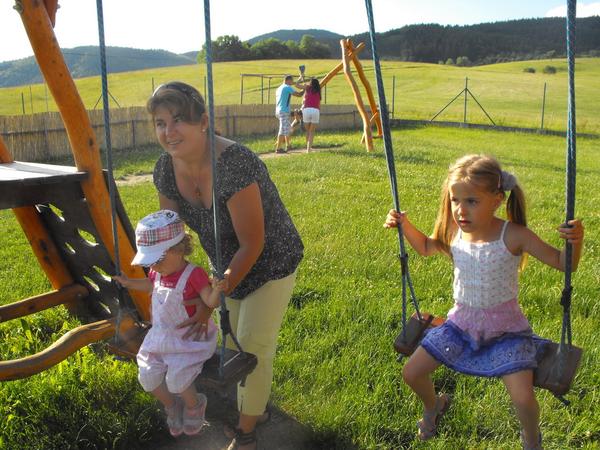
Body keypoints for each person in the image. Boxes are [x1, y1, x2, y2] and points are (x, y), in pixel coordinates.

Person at [384, 154, 584, 449]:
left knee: (523, 398)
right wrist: (404, 225)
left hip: (507, 333)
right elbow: (426, 246)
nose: (460, 210)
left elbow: (562, 262)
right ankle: (434, 405)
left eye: (472, 201)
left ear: (497, 200)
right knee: (411, 372)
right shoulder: (454, 231)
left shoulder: (513, 235)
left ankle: (531, 440)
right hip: (460, 326)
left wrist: (575, 241)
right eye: (455, 200)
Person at [147, 81, 304, 450]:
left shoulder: (234, 163)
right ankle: (255, 410)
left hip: (271, 260)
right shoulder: (165, 169)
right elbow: (172, 237)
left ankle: (246, 433)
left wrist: (212, 298)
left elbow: (253, 243)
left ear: (203, 121)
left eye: (178, 120)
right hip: (223, 266)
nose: (169, 132)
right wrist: (173, 284)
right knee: (232, 343)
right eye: (160, 123)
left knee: (252, 348)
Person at [113, 209, 224, 438]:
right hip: (159, 335)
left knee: (176, 381)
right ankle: (171, 405)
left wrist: (216, 291)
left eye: (158, 260)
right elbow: (150, 285)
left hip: (188, 339)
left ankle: (194, 405)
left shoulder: (194, 274)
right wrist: (129, 283)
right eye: (150, 262)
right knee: (147, 376)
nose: (153, 267)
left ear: (179, 249)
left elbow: (209, 301)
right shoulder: (158, 273)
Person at [274, 75, 304, 153]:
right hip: (283, 111)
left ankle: (288, 145)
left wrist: (298, 81)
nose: (292, 83)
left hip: (279, 111)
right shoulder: (287, 87)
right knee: (283, 129)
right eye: (291, 81)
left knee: (287, 128)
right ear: (288, 80)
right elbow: (299, 94)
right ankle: (278, 148)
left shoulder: (279, 88)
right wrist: (304, 88)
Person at [297, 77, 321, 152]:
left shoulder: (308, 87)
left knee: (308, 131)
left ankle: (308, 148)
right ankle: (309, 149)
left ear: (310, 83)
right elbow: (319, 104)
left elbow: (297, 85)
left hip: (306, 110)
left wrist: (300, 78)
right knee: (312, 131)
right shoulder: (318, 90)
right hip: (316, 110)